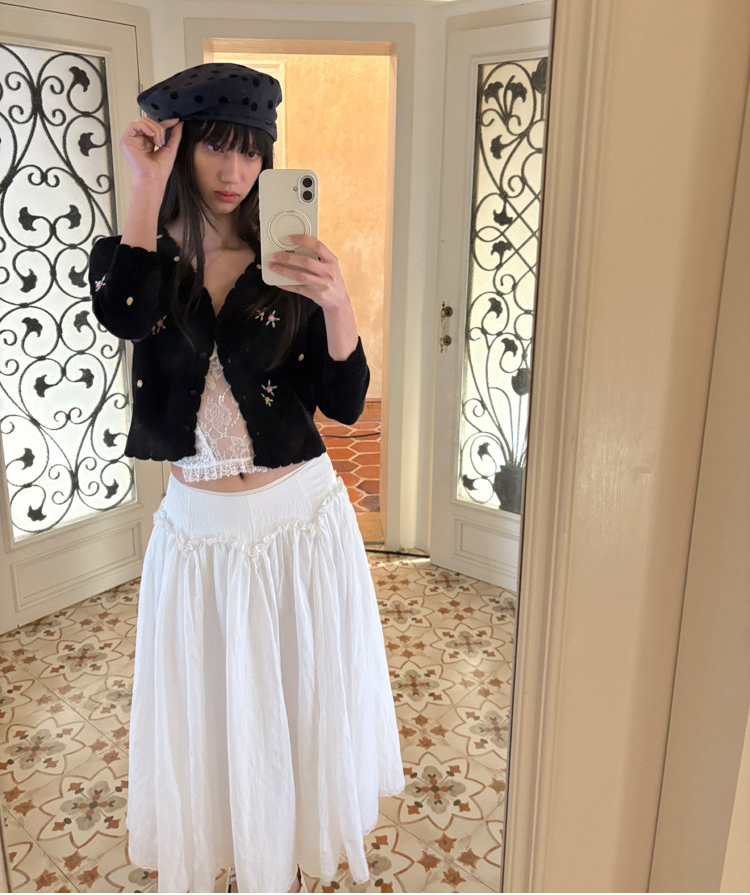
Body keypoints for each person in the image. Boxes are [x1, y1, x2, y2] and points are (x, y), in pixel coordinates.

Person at [88, 62, 403, 894]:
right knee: (214, 714)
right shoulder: (142, 258)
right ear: (184, 146)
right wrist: (145, 187)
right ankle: (240, 845)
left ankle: (288, 853)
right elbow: (122, 312)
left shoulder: (285, 258)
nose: (235, 171)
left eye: (252, 150)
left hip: (300, 525)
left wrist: (338, 302)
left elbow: (343, 402)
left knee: (297, 705)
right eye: (216, 148)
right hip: (199, 540)